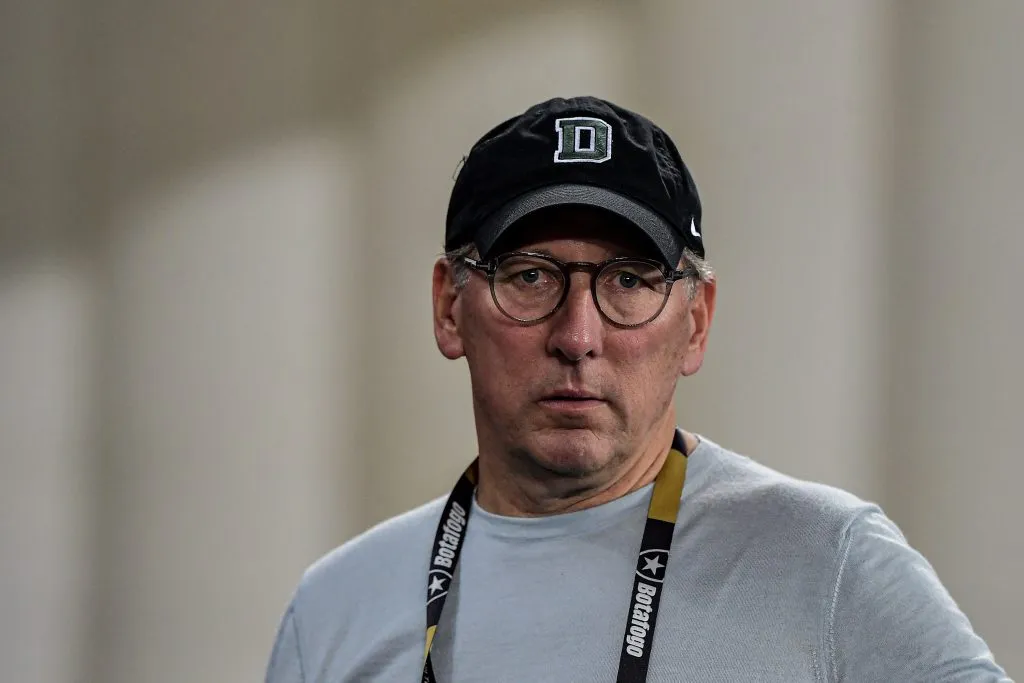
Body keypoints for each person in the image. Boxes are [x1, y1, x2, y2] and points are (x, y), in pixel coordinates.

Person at [264, 96, 1011, 682]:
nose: (579, 334)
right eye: (529, 276)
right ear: (447, 306)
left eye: (629, 281)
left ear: (696, 322)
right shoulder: (336, 608)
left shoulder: (826, 564)